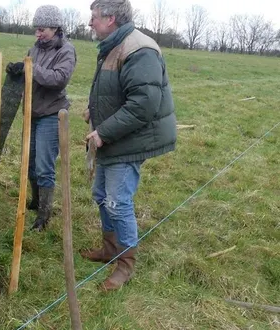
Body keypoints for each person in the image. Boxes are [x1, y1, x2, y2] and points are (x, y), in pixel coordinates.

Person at [81, 0, 176, 291]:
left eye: (94, 17)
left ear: (110, 18)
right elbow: (116, 90)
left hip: (131, 139)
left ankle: (125, 263)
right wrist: (93, 110)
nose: (90, 23)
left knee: (118, 202)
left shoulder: (139, 49)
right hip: (115, 136)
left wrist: (103, 131)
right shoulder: (113, 43)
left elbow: (143, 105)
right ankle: (110, 249)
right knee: (101, 193)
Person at [5, 5, 77, 231]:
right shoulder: (34, 49)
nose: (38, 34)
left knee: (44, 167)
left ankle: (43, 216)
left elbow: (59, 79)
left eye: (42, 29)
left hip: (51, 114)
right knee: (30, 163)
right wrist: (19, 69)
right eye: (36, 29)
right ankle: (36, 201)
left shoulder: (66, 50)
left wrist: (31, 68)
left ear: (55, 27)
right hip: (32, 113)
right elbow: (30, 70)